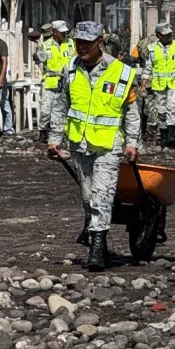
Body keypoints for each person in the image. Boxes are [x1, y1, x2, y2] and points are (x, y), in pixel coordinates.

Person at [46, 21, 141, 271]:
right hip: (79, 143)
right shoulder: (69, 69)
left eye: (87, 43)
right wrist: (54, 140)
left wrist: (132, 143)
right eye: (78, 42)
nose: (82, 47)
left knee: (102, 194)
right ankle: (101, 245)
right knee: (87, 196)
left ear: (100, 42)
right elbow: (60, 106)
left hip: (108, 146)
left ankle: (97, 249)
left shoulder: (120, 72)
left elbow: (131, 112)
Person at [141, 22, 175, 148]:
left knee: (172, 107)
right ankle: (163, 137)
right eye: (165, 35)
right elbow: (147, 68)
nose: (169, 37)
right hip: (159, 85)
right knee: (161, 111)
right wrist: (143, 85)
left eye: (170, 34)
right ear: (158, 36)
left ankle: (170, 136)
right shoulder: (152, 49)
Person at [39, 21, 73, 144]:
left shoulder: (70, 44)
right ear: (54, 32)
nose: (64, 34)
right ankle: (42, 131)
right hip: (50, 81)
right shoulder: (46, 45)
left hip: (66, 82)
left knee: (64, 110)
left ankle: (61, 134)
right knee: (46, 110)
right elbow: (40, 58)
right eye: (61, 32)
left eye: (65, 32)